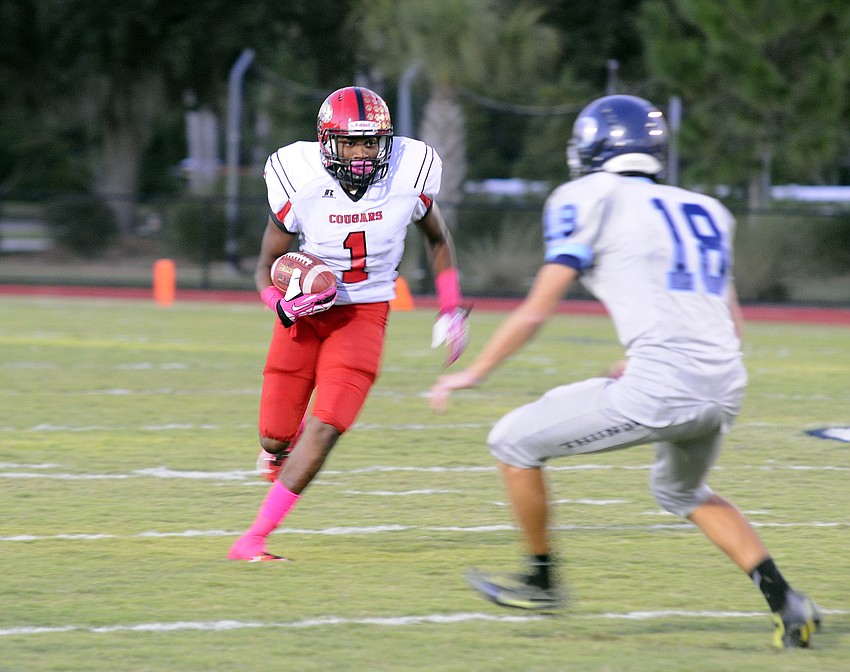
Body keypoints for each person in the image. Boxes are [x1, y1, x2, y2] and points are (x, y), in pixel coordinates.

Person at [430, 94, 821, 649]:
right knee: (680, 491)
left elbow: (539, 307)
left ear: (591, 145)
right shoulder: (707, 209)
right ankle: (787, 600)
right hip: (724, 384)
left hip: (664, 386)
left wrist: (475, 373)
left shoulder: (587, 196)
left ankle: (541, 580)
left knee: (511, 440)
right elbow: (730, 324)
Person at [229, 85, 469, 563]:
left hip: (365, 312)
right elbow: (265, 265)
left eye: (371, 142)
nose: (362, 153)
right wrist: (278, 301)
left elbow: (438, 239)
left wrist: (450, 306)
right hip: (306, 313)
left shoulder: (408, 172)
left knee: (326, 426)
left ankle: (253, 539)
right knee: (275, 436)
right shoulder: (299, 177)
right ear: (326, 143)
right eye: (350, 142)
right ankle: (278, 454)